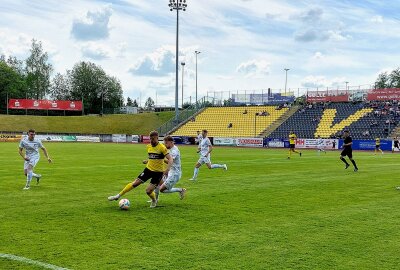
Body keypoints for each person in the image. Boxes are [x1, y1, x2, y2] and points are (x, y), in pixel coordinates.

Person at [108, 131, 173, 208]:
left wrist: (167, 170)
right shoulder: (148, 146)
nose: (151, 141)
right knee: (135, 183)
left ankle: (154, 200)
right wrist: (148, 161)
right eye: (150, 139)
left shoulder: (162, 147)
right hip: (148, 170)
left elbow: (170, 159)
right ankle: (118, 196)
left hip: (158, 173)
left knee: (148, 191)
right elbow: (154, 158)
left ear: (157, 138)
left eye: (153, 139)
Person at [154, 136, 186, 201]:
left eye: (166, 143)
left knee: (162, 190)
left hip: (175, 174)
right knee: (157, 180)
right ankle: (154, 200)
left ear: (171, 142)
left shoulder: (174, 150)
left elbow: (170, 161)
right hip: (171, 172)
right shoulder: (171, 149)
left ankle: (181, 190)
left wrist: (161, 159)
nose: (165, 145)